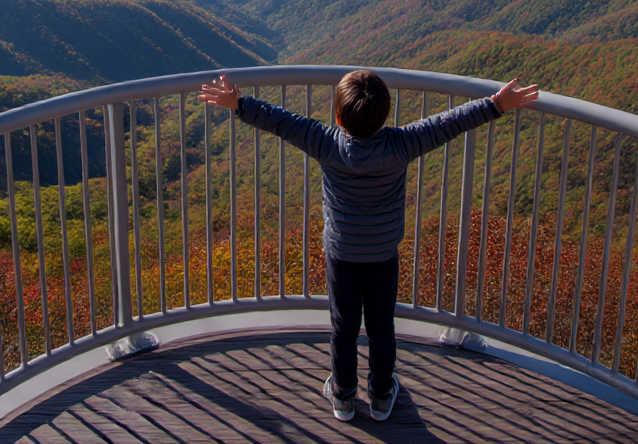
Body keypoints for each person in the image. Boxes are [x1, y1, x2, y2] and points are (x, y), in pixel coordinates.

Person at [199, 69, 539, 422]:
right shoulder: (401, 144)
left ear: (338, 116)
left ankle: (344, 397)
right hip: (381, 257)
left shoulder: (325, 142)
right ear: (386, 113)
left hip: (342, 255)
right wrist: (496, 105)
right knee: (381, 328)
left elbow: (282, 122)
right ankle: (379, 395)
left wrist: (238, 103)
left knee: (343, 327)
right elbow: (448, 123)